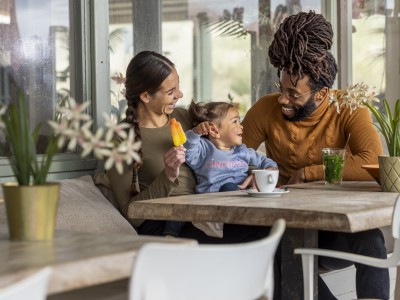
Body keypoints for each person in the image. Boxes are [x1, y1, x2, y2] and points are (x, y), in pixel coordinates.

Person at [241, 11, 389, 300]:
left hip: (330, 227)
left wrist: (310, 173)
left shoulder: (348, 107)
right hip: (284, 223)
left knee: (370, 239)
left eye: (294, 94)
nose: (283, 99)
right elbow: (236, 153)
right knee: (280, 247)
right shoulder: (266, 108)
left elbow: (372, 160)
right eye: (281, 89)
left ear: (321, 94)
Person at [95, 51, 271, 246]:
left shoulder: (185, 117)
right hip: (165, 224)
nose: (180, 95)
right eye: (171, 92)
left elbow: (227, 148)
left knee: (269, 227)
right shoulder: (119, 139)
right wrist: (168, 175)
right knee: (257, 234)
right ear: (145, 96)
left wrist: (257, 172)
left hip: (205, 212)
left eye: (178, 87)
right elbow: (132, 214)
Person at [163, 100, 278, 238]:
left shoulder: (243, 151)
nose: (241, 127)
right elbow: (188, 147)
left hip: (240, 198)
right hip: (207, 201)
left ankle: (216, 223)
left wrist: (269, 170)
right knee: (178, 208)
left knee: (229, 187)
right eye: (235, 122)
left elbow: (267, 162)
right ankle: (169, 237)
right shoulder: (204, 148)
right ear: (213, 130)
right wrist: (196, 132)